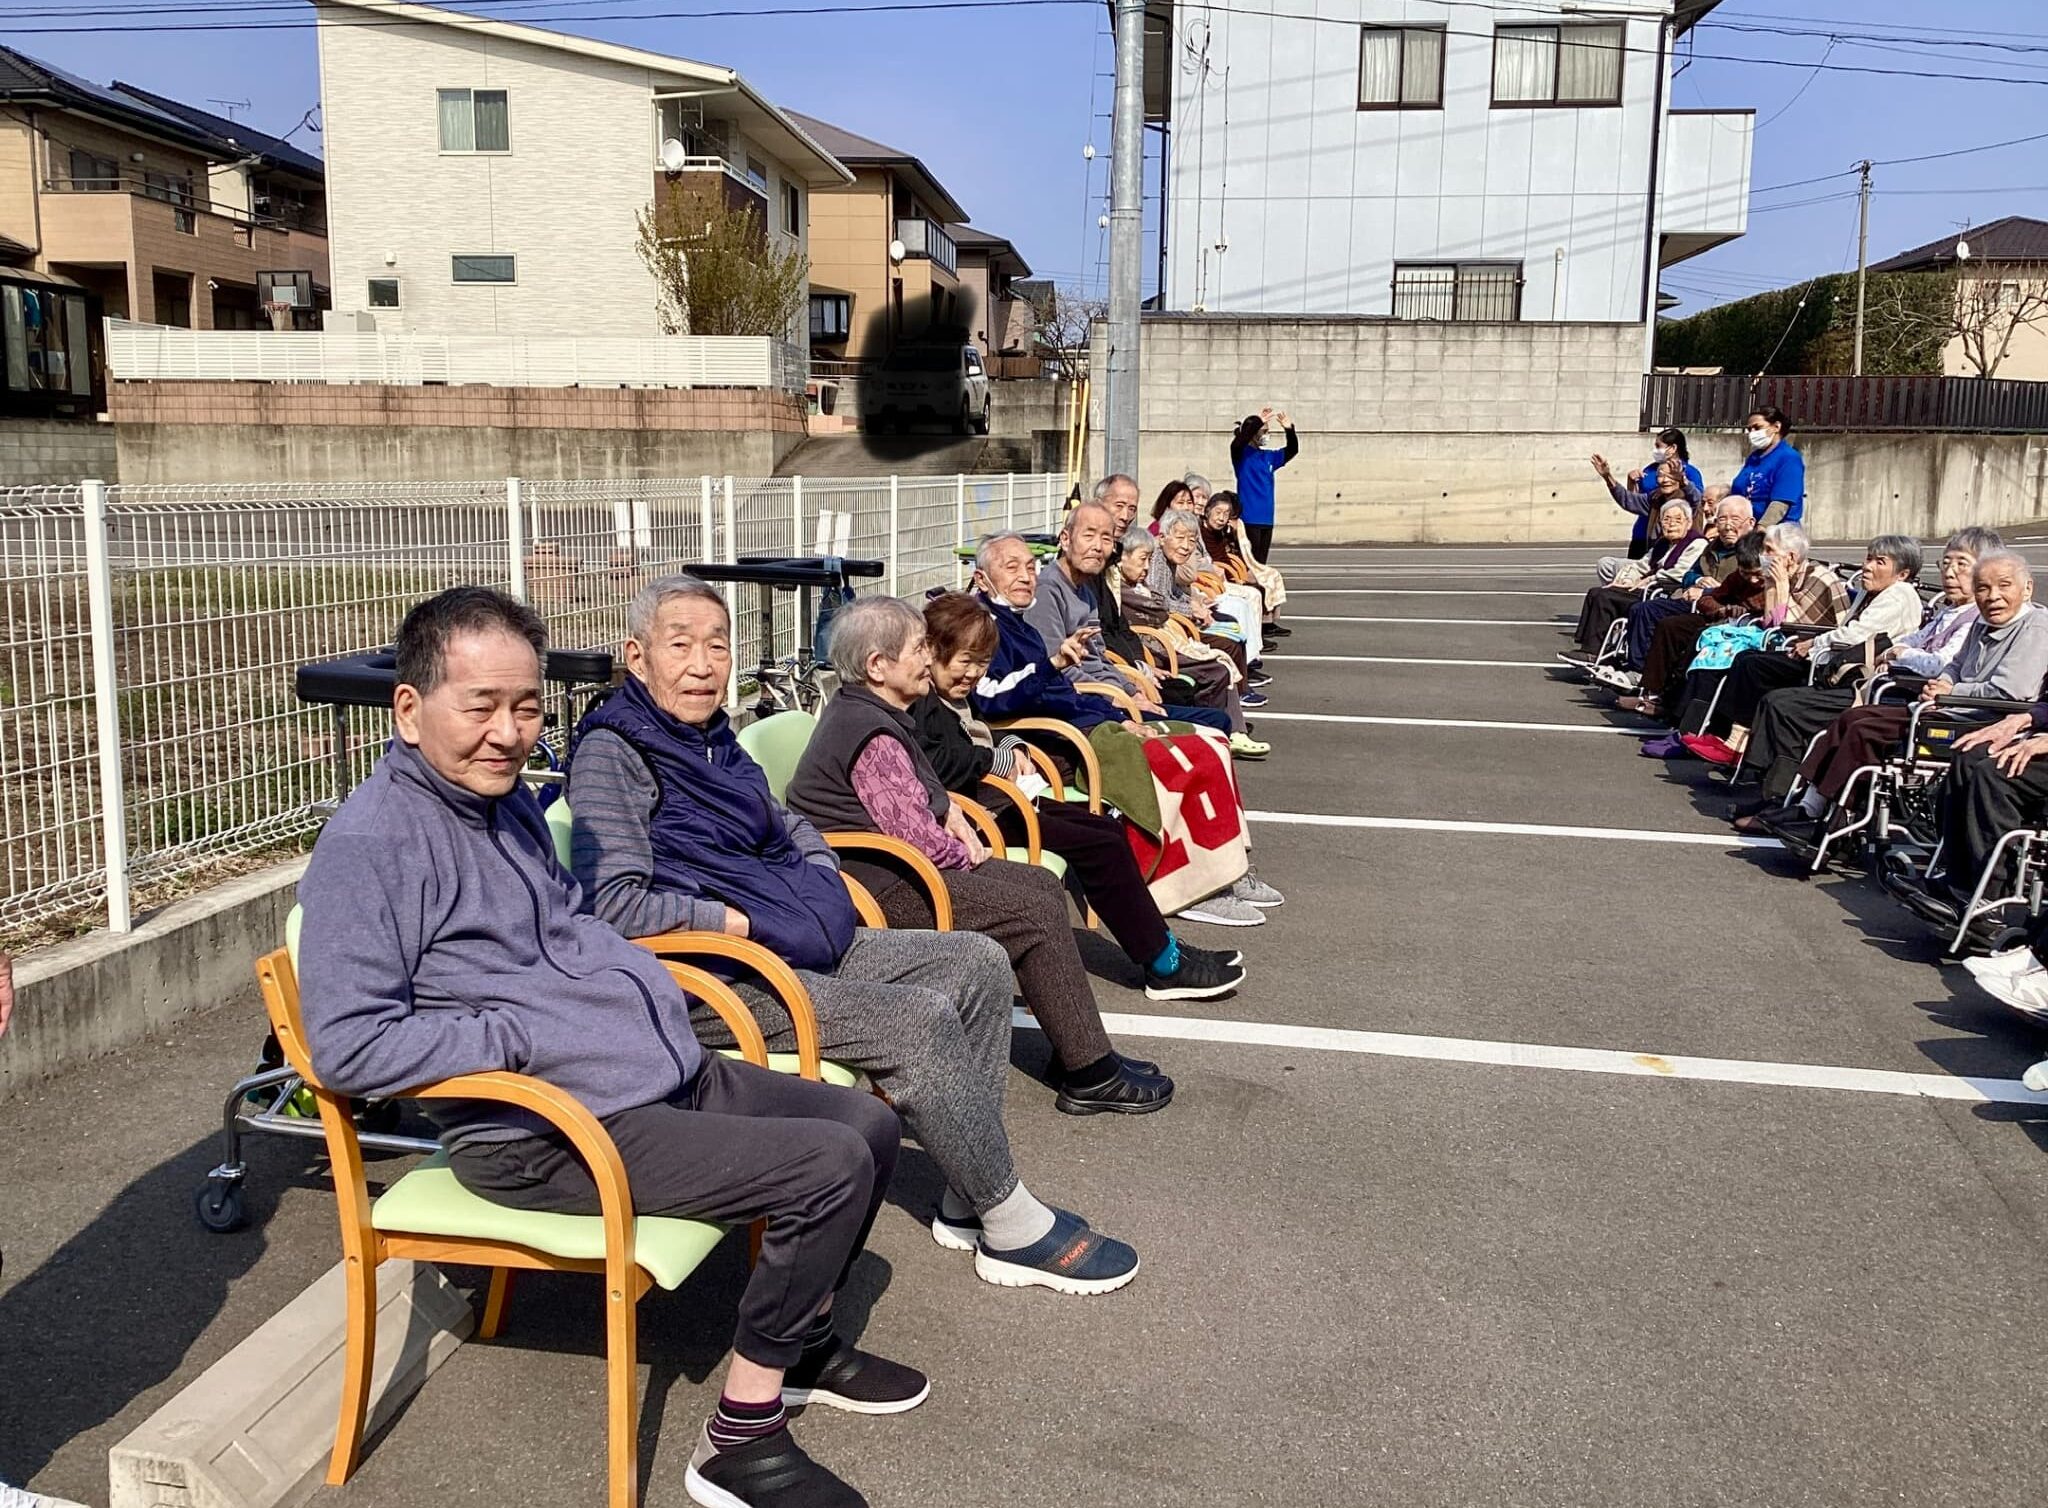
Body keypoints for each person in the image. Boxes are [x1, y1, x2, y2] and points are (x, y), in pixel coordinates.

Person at [295, 586, 925, 1508]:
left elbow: (570, 924)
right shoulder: (374, 842)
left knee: (865, 1123)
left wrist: (642, 993)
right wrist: (512, 1038)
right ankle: (737, 1440)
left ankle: (797, 1348)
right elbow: (346, 1047)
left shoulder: (501, 803)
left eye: (525, 707)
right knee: (824, 1166)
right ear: (407, 708)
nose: (508, 734)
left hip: (638, 1075)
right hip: (541, 1133)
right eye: (480, 707)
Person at [568, 574, 1145, 1283]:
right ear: (636, 656)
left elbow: (791, 824)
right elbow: (616, 904)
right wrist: (743, 920)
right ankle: (1010, 1222)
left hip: (786, 936)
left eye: (717, 645)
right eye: (679, 645)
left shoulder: (714, 739)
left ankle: (968, 1192)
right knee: (918, 1021)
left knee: (979, 963)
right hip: (709, 977)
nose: (702, 664)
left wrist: (810, 881)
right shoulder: (613, 754)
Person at [785, 595, 1176, 1116]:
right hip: (879, 885)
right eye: (919, 648)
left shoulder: (873, 710)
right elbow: (915, 838)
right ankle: (1091, 1071)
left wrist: (951, 817)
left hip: (896, 869)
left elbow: (923, 794)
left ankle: (1076, 1049)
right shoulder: (867, 729)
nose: (929, 657)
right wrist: (966, 847)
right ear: (878, 666)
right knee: (1031, 907)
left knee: (1036, 887)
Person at [914, 590, 1246, 1001]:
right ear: (932, 651)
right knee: (1096, 844)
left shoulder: (949, 695)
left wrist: (1008, 744)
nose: (972, 674)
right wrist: (992, 759)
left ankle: (1162, 946)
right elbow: (938, 762)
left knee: (1105, 828)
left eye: (981, 664)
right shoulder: (920, 699)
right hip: (981, 815)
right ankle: (1163, 964)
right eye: (964, 661)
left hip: (1000, 800)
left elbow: (973, 737)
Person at [974, 532, 1281, 928]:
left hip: (1088, 721)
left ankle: (1228, 871)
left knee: (1214, 740)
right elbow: (993, 701)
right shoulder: (981, 628)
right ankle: (1188, 888)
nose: (1025, 576)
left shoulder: (1023, 625)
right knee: (1190, 758)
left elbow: (1067, 690)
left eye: (1030, 567)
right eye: (1011, 567)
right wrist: (1059, 670)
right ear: (983, 579)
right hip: (1057, 741)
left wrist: (1120, 715)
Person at [1762, 553, 2048, 848]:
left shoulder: (2036, 626)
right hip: (1951, 708)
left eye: (2004, 586)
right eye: (1984, 588)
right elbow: (1955, 664)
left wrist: (1951, 693)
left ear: (2027, 589)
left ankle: (1836, 825)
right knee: (1853, 717)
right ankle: (1809, 807)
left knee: (1866, 731)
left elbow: (2011, 691)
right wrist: (1946, 682)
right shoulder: (1982, 622)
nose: (1993, 596)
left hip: (1986, 719)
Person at [1730, 529, 1999, 822]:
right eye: (1946, 563)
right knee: (1779, 695)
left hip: (1905, 694)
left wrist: (1899, 654)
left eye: (1962, 564)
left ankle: (1797, 805)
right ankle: (1783, 798)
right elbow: (1912, 640)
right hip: (1878, 683)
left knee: (1790, 707)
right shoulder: (1946, 611)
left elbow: (1938, 663)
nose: (1950, 572)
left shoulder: (1958, 613)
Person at [1023, 497, 1269, 757]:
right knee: (1214, 724)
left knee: (1216, 720)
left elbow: (1101, 656)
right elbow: (1056, 670)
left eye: (1106, 539)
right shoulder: (1049, 590)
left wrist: (1132, 690)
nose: (1097, 547)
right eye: (1089, 535)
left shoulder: (1084, 588)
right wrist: (1118, 697)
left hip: (1113, 692)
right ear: (1065, 539)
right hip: (1092, 705)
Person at [1682, 534, 1924, 766]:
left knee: (1760, 673)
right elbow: (1776, 621)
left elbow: (1851, 634)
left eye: (1879, 562)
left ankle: (1737, 746)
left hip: (1851, 669)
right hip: (1829, 654)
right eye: (1868, 557)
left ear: (1902, 574)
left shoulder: (1897, 595)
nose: (1867, 566)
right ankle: (1726, 737)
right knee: (1747, 659)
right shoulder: (1869, 591)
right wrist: (1773, 584)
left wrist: (1811, 639)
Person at [1092, 474, 1264, 726]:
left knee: (1231, 629)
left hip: (1132, 658)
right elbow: (1093, 645)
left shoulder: (1112, 561)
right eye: (1118, 505)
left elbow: (1120, 626)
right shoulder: (1086, 574)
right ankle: (1222, 727)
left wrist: (1140, 665)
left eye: (1131, 508)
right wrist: (1134, 677)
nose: (1126, 515)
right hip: (1124, 669)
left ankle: (1228, 721)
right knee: (1215, 665)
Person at [1561, 496, 1704, 666]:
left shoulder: (1696, 543)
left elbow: (1681, 572)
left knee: (1604, 597)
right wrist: (1626, 579)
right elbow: (1641, 565)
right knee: (1597, 592)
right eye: (1666, 519)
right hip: (1648, 589)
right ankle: (1590, 648)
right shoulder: (1662, 544)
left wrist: (1651, 578)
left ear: (1688, 523)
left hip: (1665, 594)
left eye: (1678, 519)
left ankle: (1592, 652)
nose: (1671, 523)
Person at [1586, 455, 1704, 585]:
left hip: (1678, 560)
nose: (1665, 480)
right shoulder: (1655, 498)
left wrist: (1683, 480)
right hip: (1655, 556)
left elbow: (1696, 498)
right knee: (1606, 564)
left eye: (1670, 476)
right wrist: (1607, 477)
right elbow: (1628, 500)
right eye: (1660, 475)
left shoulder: (1688, 499)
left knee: (1624, 568)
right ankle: (1618, 597)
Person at [1230, 407, 1298, 564]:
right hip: (1249, 518)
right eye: (1263, 431)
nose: (1266, 435)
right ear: (1253, 433)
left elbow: (1292, 450)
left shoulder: (1268, 457)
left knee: (1261, 564)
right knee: (1249, 563)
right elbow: (1238, 443)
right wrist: (1257, 422)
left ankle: (1260, 588)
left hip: (1266, 519)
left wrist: (1289, 430)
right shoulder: (1241, 454)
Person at [1732, 405, 1806, 528]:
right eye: (1749, 429)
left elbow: (1781, 502)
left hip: (1777, 531)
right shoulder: (1754, 458)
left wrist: (1762, 528)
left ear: (1776, 427)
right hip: (1748, 527)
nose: (1752, 433)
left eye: (1757, 427)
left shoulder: (1788, 458)